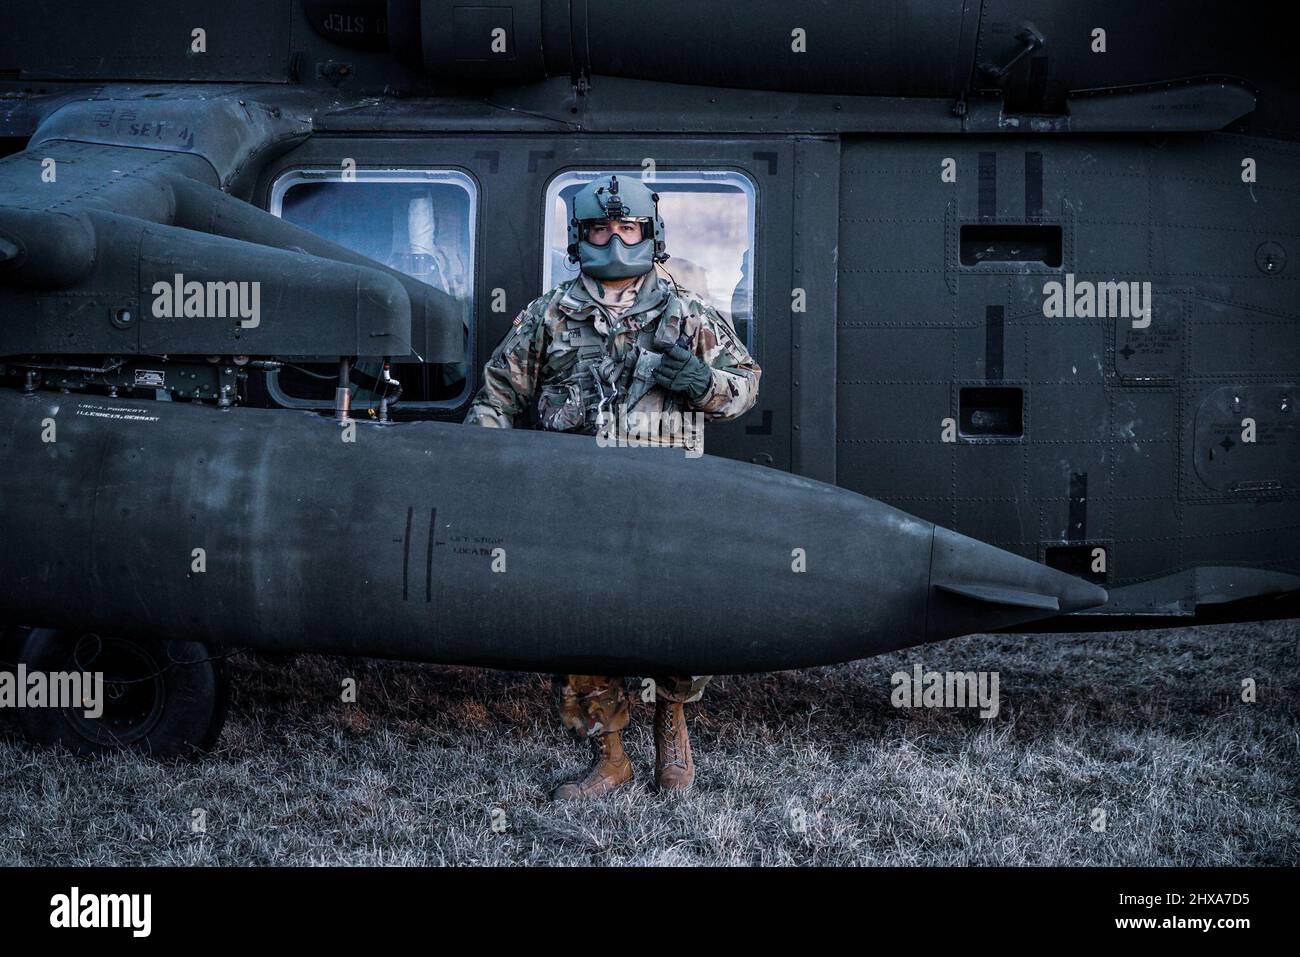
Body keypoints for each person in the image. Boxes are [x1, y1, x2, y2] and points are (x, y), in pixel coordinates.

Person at [464, 174, 761, 799]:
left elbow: (744, 388)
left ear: (651, 234)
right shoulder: (548, 315)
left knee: (681, 618)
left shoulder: (686, 312)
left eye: (628, 228)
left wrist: (701, 381)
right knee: (578, 628)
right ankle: (610, 755)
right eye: (601, 229)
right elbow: (498, 395)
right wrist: (482, 466)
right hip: (575, 502)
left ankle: (672, 721)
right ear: (580, 237)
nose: (616, 240)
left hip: (665, 499)